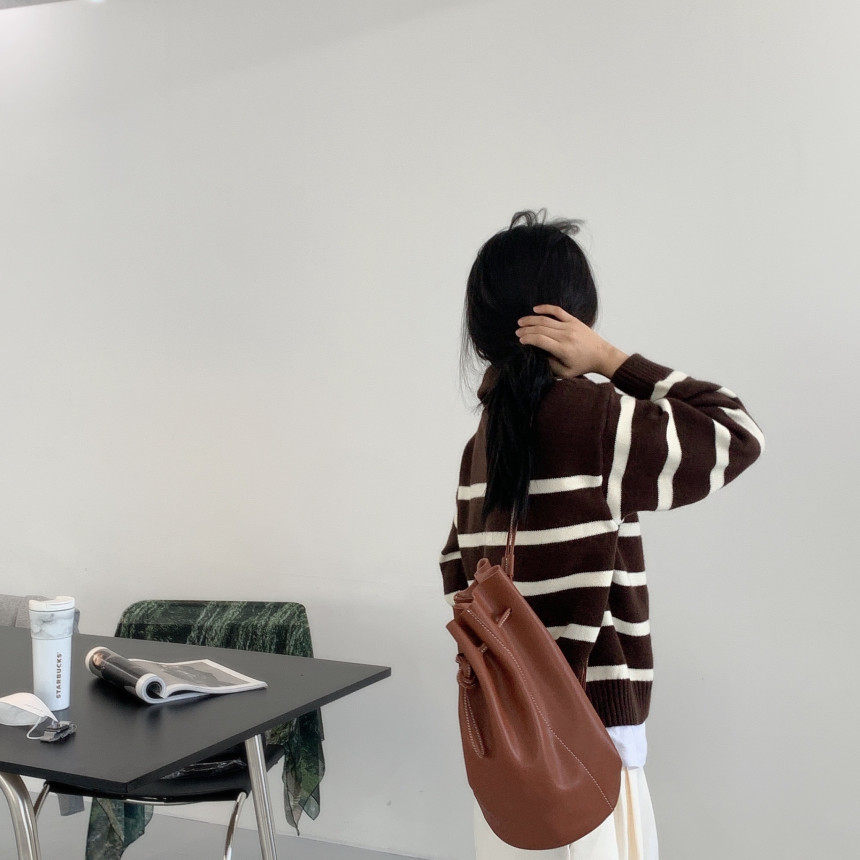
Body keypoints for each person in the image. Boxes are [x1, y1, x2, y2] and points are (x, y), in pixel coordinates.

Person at [439, 209, 766, 859]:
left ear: (482, 335)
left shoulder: (481, 445)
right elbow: (737, 433)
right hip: (595, 742)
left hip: (509, 742)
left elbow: (456, 570)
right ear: (573, 320)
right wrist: (611, 359)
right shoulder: (595, 422)